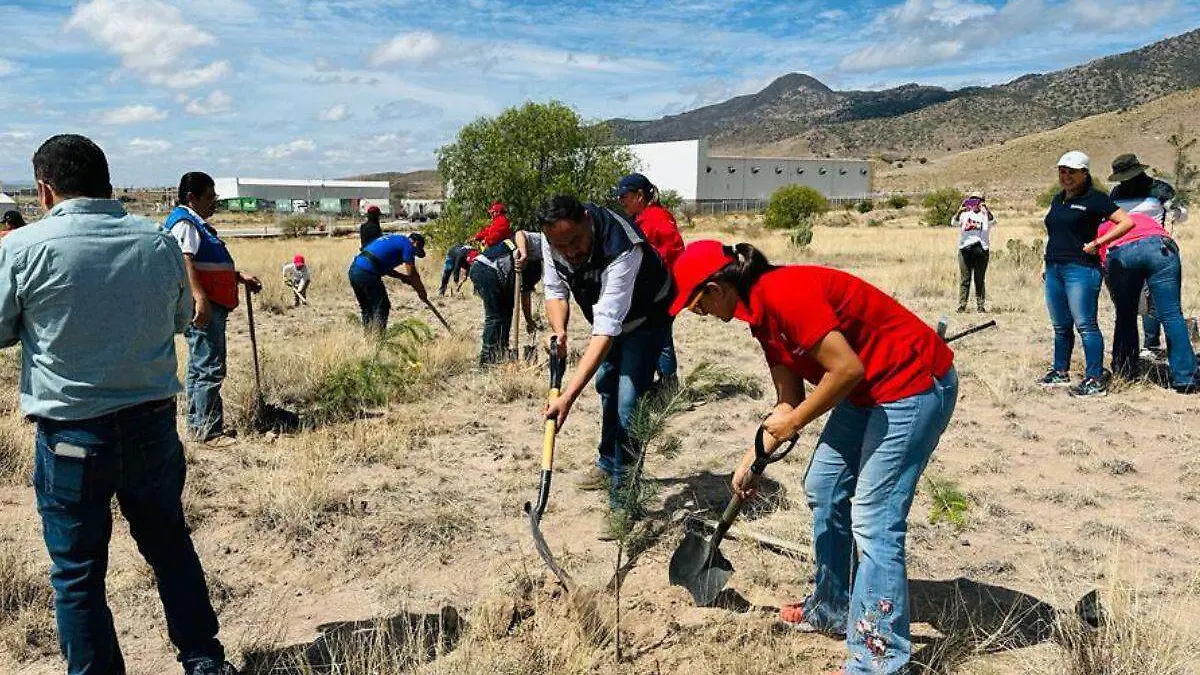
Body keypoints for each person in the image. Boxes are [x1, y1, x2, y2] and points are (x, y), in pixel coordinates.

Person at [0, 134, 237, 675]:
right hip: (153, 427)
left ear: (44, 190)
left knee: (78, 575)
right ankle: (203, 660)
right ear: (108, 183)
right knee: (171, 548)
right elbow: (181, 321)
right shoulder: (156, 244)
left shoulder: (22, 248)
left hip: (70, 440)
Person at [668, 239, 958, 675]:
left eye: (696, 304)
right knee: (823, 485)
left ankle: (880, 659)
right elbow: (789, 398)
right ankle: (832, 606)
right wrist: (753, 454)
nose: (700, 314)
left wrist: (796, 422)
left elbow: (846, 369)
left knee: (874, 520)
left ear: (716, 287)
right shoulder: (760, 318)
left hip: (912, 386)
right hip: (866, 393)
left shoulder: (785, 293)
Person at [536, 195, 673, 533]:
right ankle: (608, 462)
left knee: (628, 399)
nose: (569, 251)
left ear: (587, 219)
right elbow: (554, 292)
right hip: (609, 321)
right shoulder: (553, 243)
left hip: (646, 317)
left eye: (576, 241)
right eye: (560, 245)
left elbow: (608, 326)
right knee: (606, 385)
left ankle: (624, 499)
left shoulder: (623, 246)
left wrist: (567, 396)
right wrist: (560, 331)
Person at [165, 172, 262, 445]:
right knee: (209, 366)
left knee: (200, 365)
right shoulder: (185, 224)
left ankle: (200, 425)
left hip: (209, 303)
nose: (215, 202)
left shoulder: (196, 224)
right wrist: (201, 298)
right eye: (210, 197)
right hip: (204, 306)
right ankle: (208, 432)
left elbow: (208, 265)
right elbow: (187, 262)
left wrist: (238, 276)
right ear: (191, 198)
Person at [1039, 151, 1133, 397]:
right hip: (1054, 267)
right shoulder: (1058, 199)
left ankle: (1095, 378)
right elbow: (1054, 233)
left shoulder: (1096, 199)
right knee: (1060, 325)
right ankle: (1060, 371)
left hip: (1081, 268)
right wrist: (1044, 265)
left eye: (1072, 172)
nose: (1066, 176)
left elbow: (1126, 222)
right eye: (1062, 171)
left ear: (1084, 174)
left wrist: (1098, 242)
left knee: (1086, 324)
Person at [1095, 211, 1196, 391]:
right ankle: (1185, 378)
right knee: (1172, 315)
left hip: (1122, 251)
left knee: (1126, 315)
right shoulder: (1143, 217)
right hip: (1161, 248)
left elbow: (1104, 262)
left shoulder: (1103, 227)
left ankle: (1125, 372)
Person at [1108, 153, 1190, 360]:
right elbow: (1181, 214)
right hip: (1156, 248)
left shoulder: (1117, 192)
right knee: (1166, 309)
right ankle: (1181, 371)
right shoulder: (1159, 188)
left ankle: (1132, 362)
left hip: (1123, 249)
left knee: (1129, 311)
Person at [615, 173, 685, 388]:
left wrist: (655, 270)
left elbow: (675, 249)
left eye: (624, 196)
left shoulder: (656, 218)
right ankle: (661, 381)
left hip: (663, 291)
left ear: (639, 196)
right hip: (653, 291)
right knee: (655, 335)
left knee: (661, 336)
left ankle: (668, 384)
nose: (621, 201)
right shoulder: (641, 219)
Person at [348, 231, 428, 333]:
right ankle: (379, 340)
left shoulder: (396, 240)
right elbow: (412, 274)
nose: (414, 254)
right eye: (416, 252)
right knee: (382, 306)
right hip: (367, 273)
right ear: (415, 243)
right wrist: (421, 292)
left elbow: (383, 267)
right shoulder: (408, 244)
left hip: (354, 270)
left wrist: (401, 277)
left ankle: (369, 340)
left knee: (368, 308)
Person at [469, 237, 519, 364]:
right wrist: (529, 320)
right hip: (485, 270)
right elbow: (524, 294)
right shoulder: (528, 251)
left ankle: (501, 352)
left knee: (506, 312)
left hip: (495, 273)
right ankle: (486, 360)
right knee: (495, 316)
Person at [952, 193, 994, 313]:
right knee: (965, 279)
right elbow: (954, 223)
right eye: (972, 201)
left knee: (979, 279)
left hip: (982, 249)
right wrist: (960, 210)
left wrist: (987, 210)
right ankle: (962, 305)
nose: (975, 203)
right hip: (965, 249)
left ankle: (980, 306)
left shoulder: (985, 216)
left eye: (978, 201)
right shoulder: (965, 215)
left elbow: (993, 221)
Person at [514, 229, 545, 336]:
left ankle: (531, 321)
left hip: (534, 264)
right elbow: (519, 233)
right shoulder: (542, 239)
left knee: (526, 292)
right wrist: (524, 254)